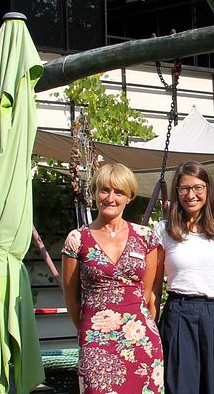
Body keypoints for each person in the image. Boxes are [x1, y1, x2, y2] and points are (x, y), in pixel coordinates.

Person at [62, 163, 164, 394]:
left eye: (119, 192)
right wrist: (90, 332)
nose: (110, 198)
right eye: (104, 190)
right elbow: (70, 299)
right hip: (95, 342)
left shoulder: (145, 237)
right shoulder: (77, 239)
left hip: (141, 341)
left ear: (129, 197)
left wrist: (143, 326)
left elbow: (147, 296)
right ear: (95, 192)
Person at [152, 161, 214, 394]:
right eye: (184, 188)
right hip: (179, 313)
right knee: (180, 386)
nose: (191, 195)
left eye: (198, 187)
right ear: (177, 192)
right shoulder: (163, 229)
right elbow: (154, 286)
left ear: (208, 189)